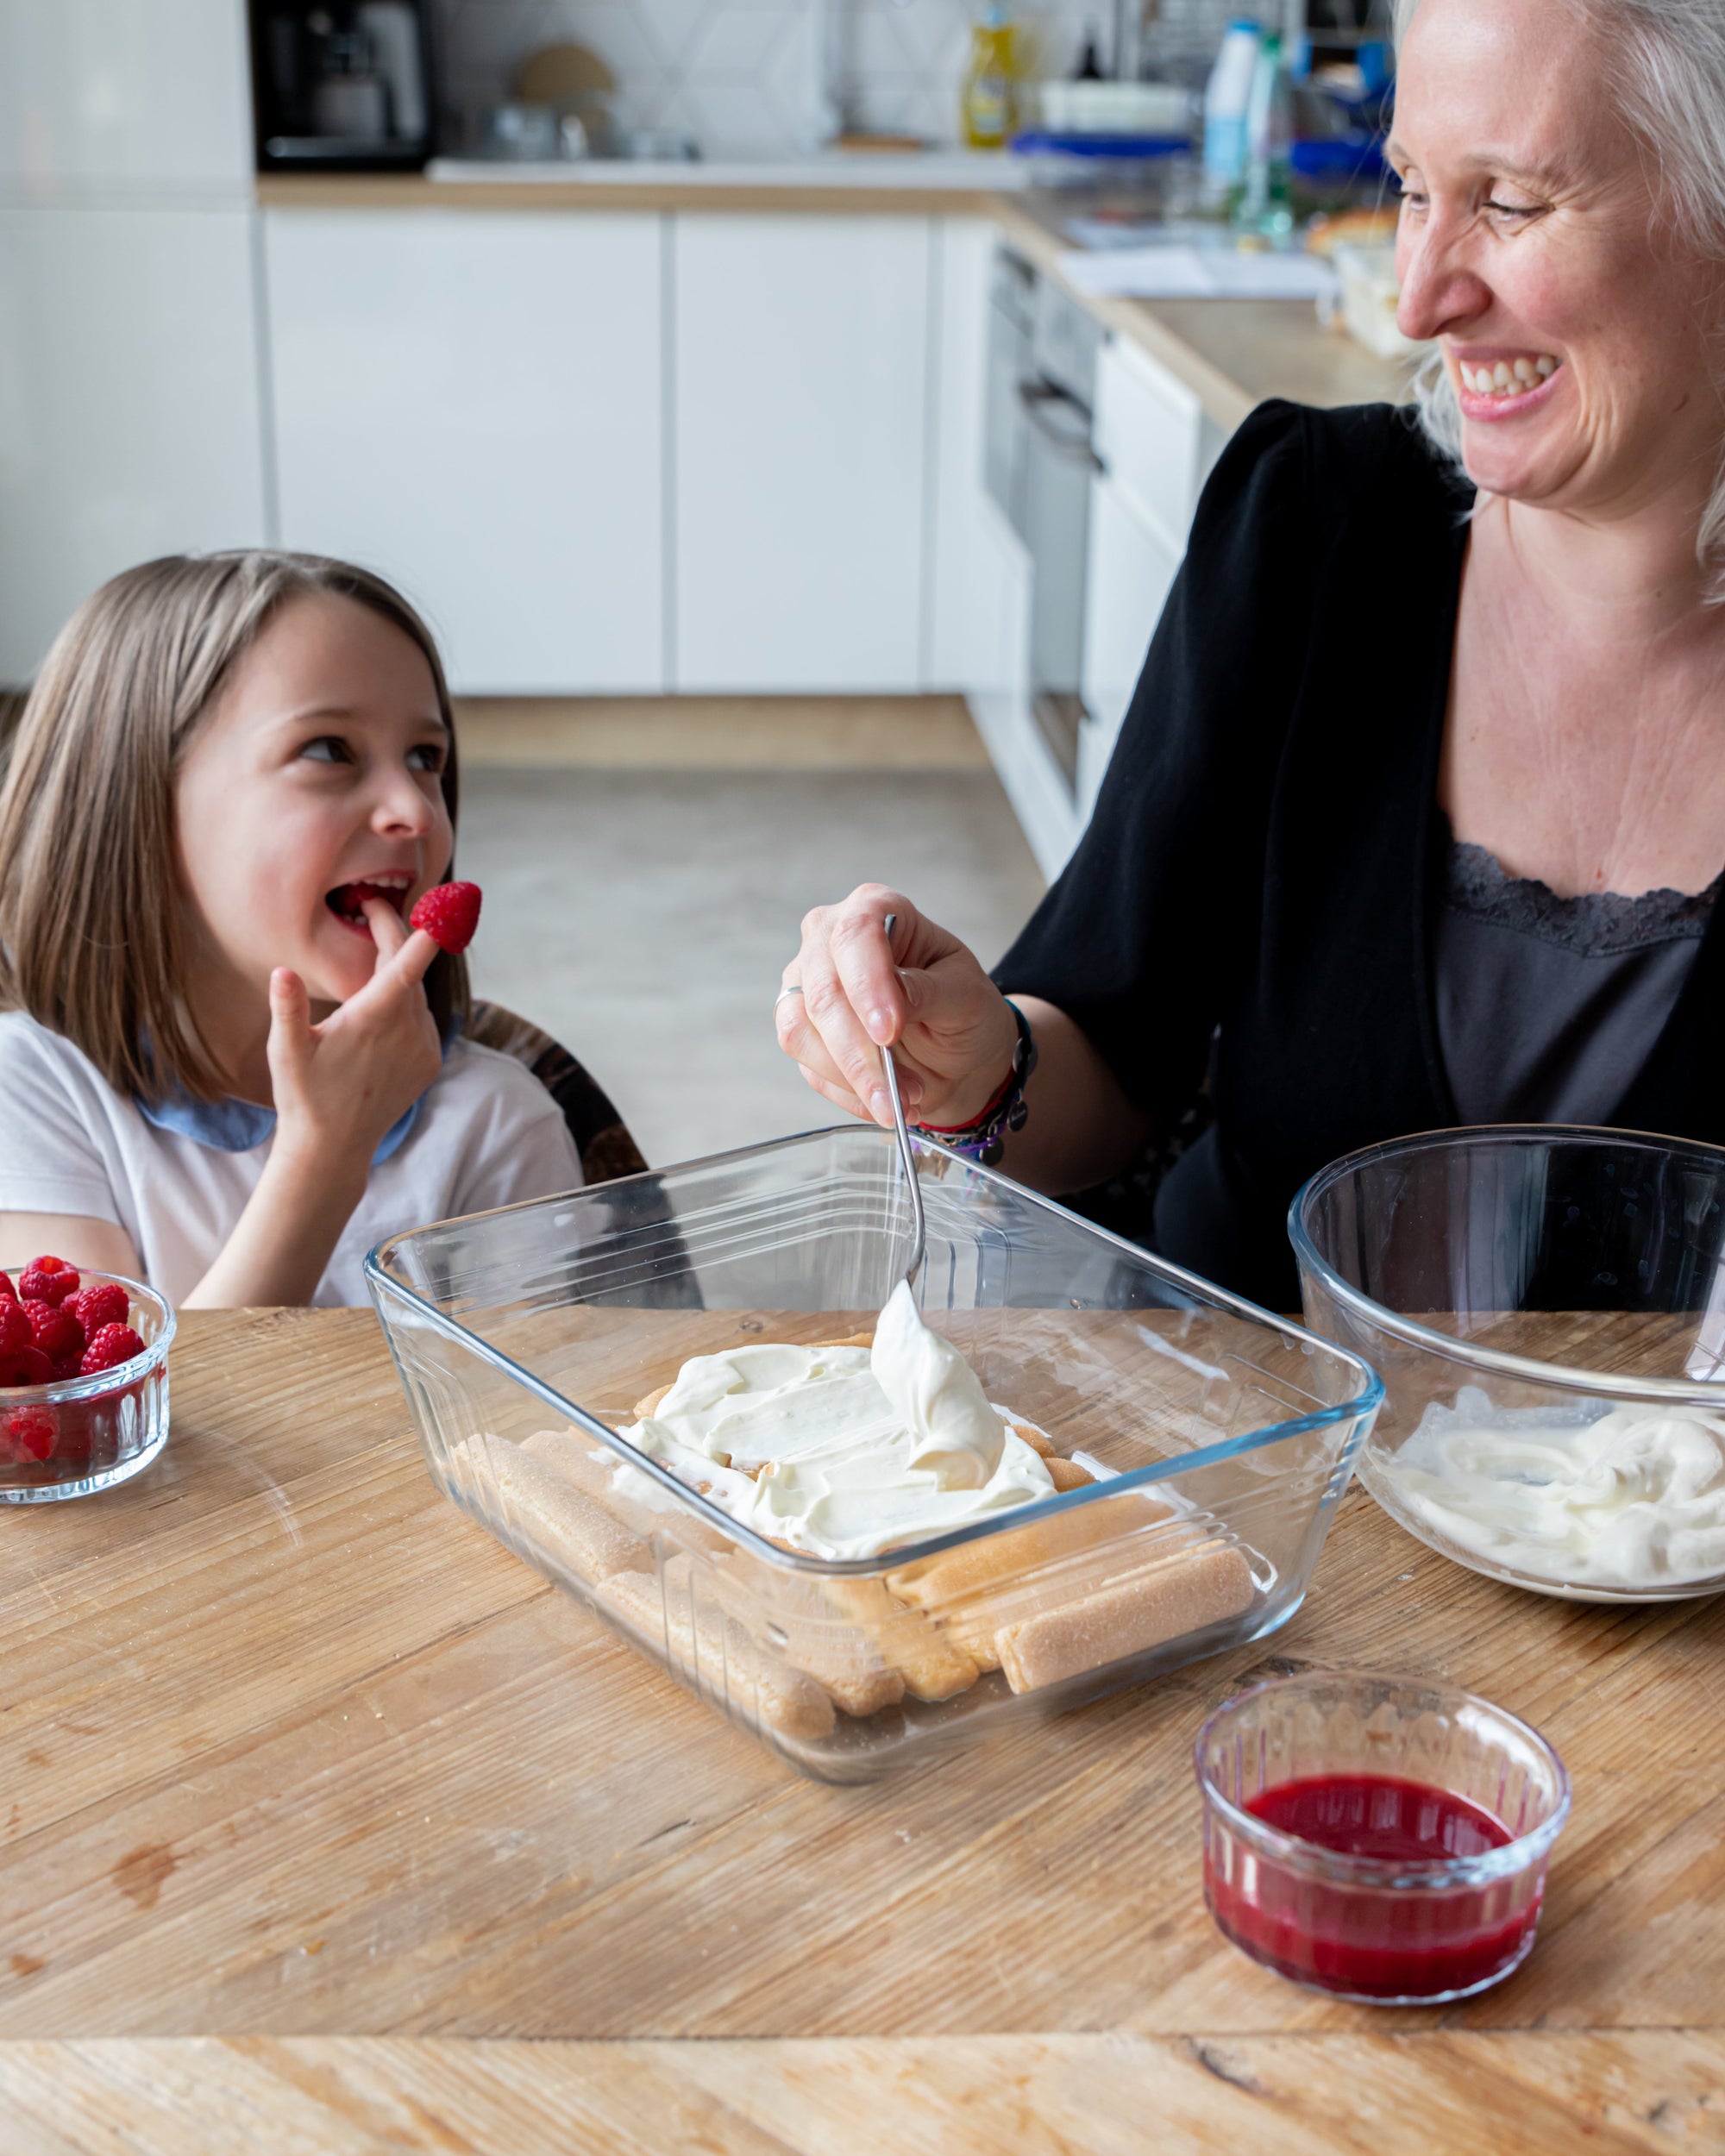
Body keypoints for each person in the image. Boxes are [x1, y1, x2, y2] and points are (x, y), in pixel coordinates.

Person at [775, 0, 1725, 1310]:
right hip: (1248, 1416)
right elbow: (1112, 1051)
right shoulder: (1317, 529)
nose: (1419, 297)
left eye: (1508, 203)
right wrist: (977, 1069)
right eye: (1410, 189)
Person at [0, 552, 587, 1307]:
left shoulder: (497, 1122)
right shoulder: (30, 1092)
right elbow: (112, 1389)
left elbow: (531, 1391)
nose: (414, 809)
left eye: (425, 757)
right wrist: (326, 1152)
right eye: (328, 749)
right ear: (133, 797)